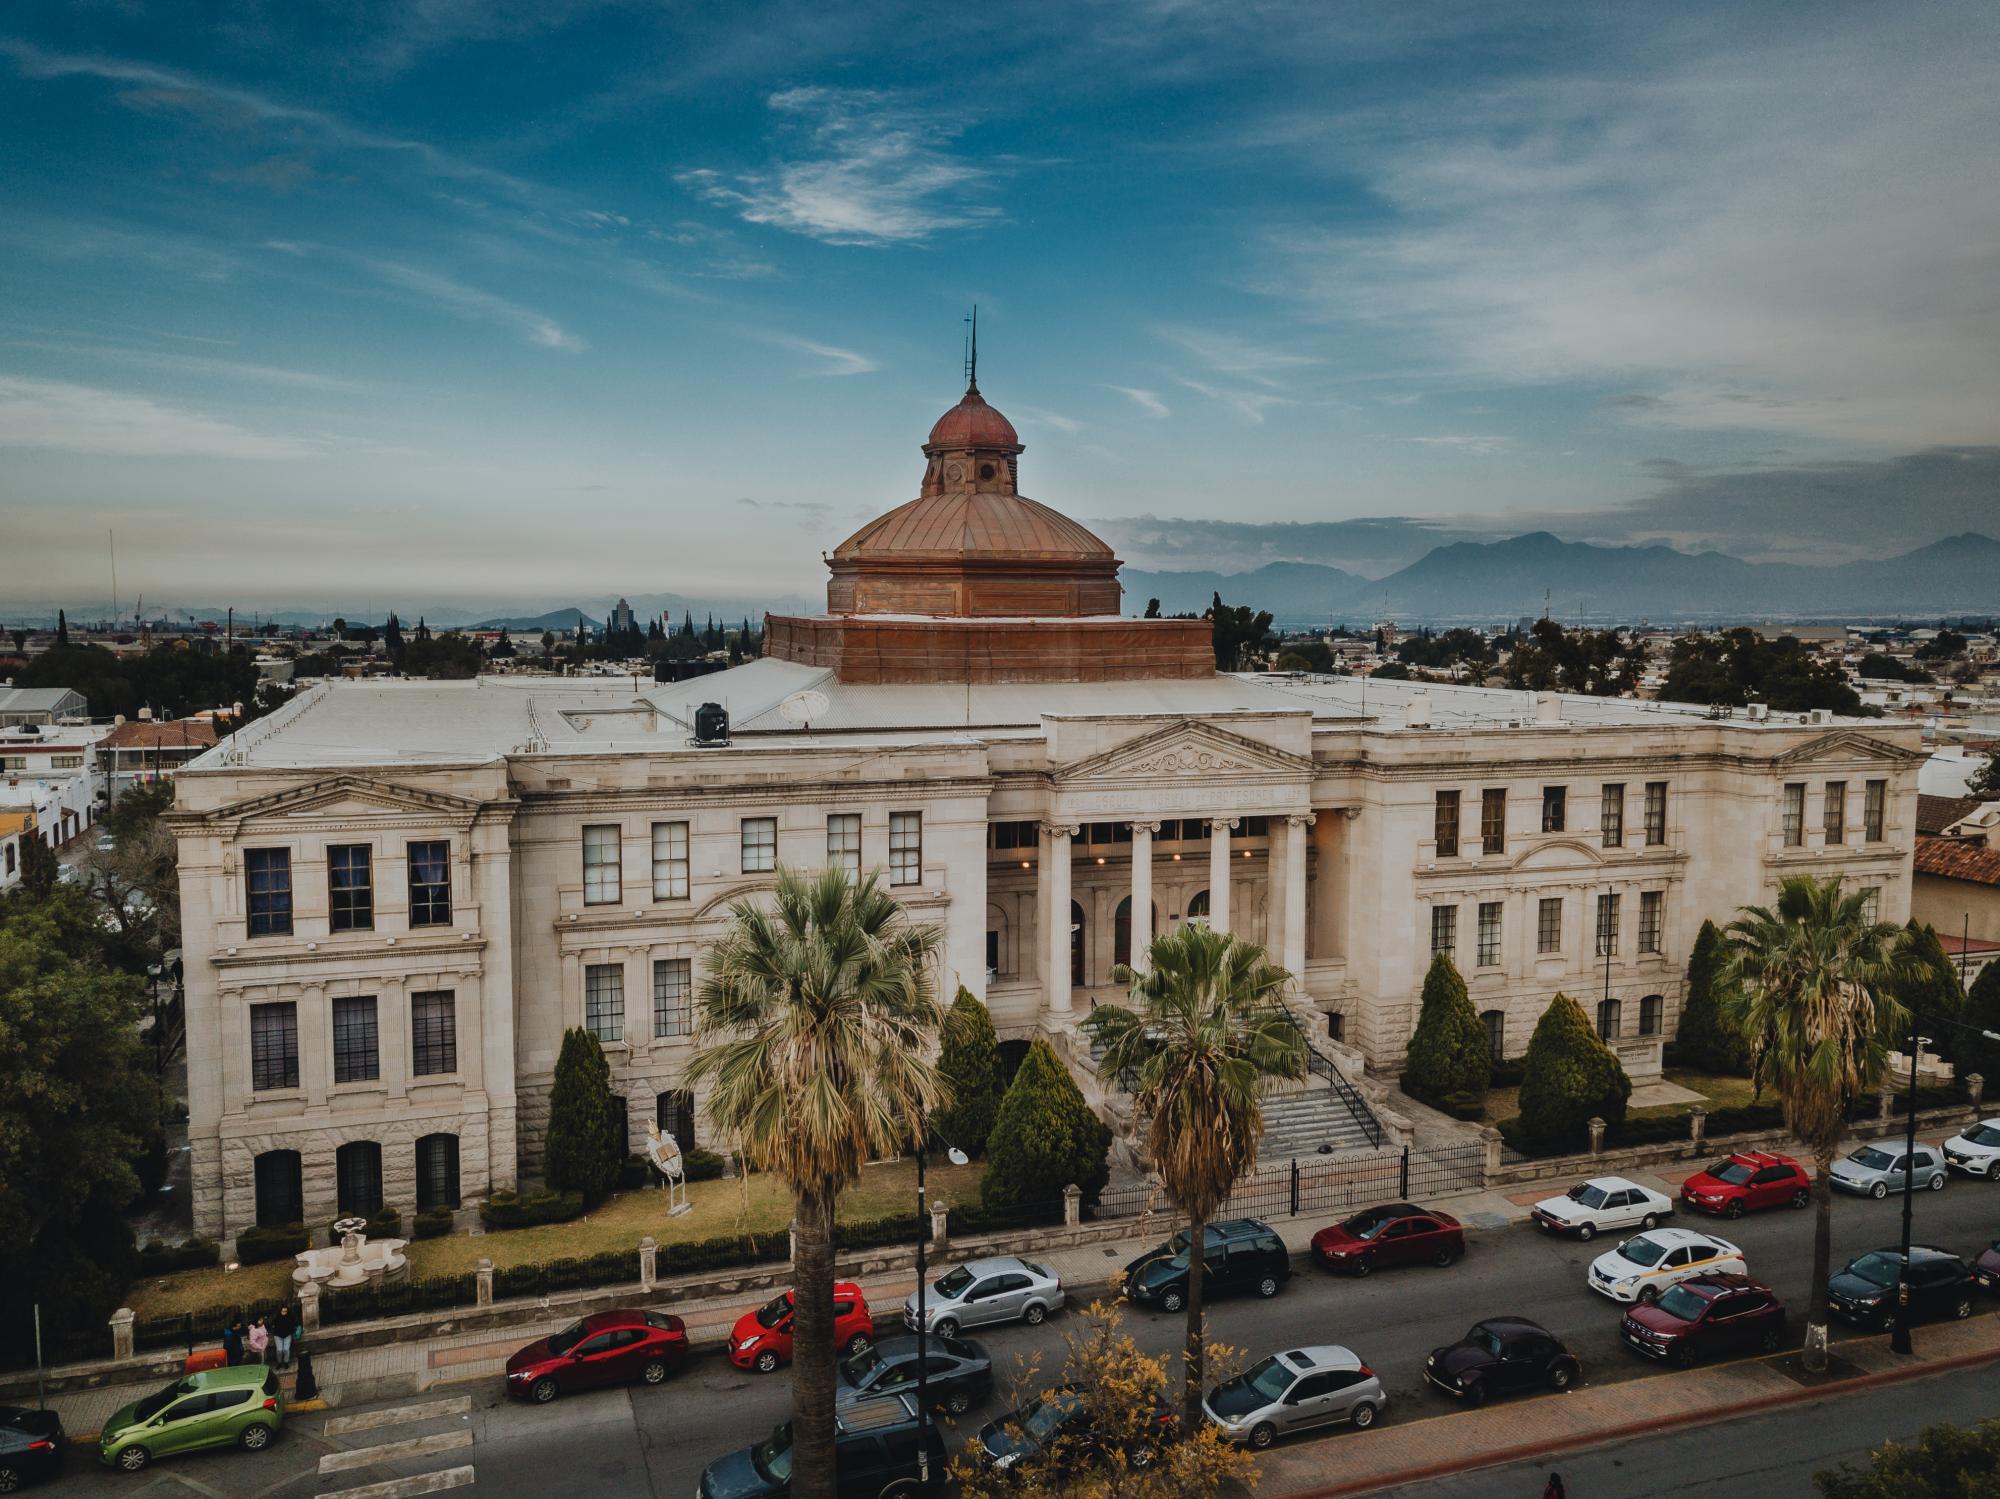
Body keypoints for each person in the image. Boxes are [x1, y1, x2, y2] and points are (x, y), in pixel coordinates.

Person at [272, 1304, 299, 1370]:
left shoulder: (290, 1317)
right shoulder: (276, 1318)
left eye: (285, 1311)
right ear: (280, 1311)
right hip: (278, 1335)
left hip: (287, 1335)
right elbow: (273, 1326)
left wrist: (291, 1331)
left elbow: (294, 1324)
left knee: (286, 1349)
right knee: (279, 1350)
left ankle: (286, 1362)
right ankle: (279, 1362)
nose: (284, 1313)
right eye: (283, 1311)